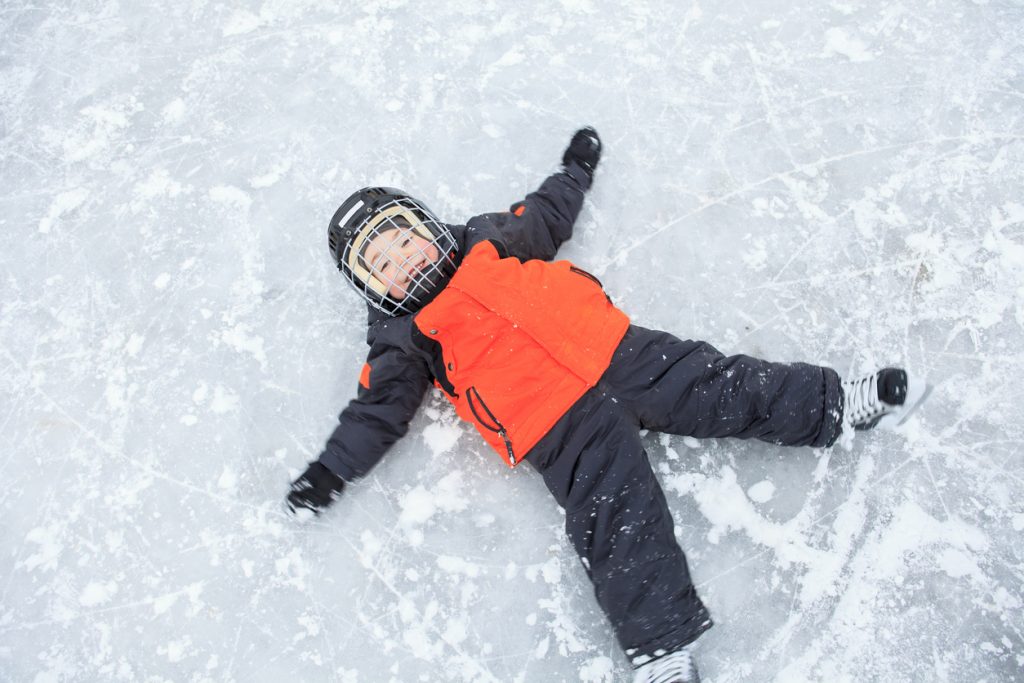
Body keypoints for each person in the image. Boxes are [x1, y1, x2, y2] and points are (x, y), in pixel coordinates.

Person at [284, 128, 927, 683]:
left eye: (404, 240)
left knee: (725, 383)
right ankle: (663, 650)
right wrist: (331, 471)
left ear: (423, 223)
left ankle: (840, 403)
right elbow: (378, 410)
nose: (405, 261)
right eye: (383, 263)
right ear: (369, 285)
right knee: (617, 521)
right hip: (553, 423)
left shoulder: (486, 238)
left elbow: (546, 216)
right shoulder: (399, 336)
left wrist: (574, 171)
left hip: (616, 351)